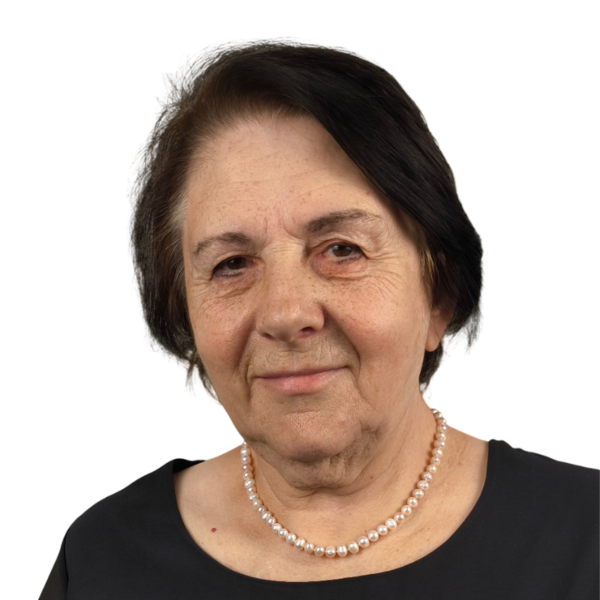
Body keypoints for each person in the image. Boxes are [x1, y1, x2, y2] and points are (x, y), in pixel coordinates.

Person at [38, 36, 600, 599]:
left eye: (341, 250)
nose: (286, 313)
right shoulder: (102, 560)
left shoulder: (586, 535)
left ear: (440, 294)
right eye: (232, 264)